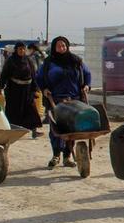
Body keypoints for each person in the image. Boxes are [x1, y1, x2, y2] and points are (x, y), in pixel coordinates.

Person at [36, 36, 92, 169]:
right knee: (56, 129)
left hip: (75, 100)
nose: (61, 48)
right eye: (58, 46)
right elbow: (39, 77)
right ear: (54, 48)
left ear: (67, 47)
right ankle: (56, 155)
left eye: (63, 46)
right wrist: (44, 89)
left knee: (72, 128)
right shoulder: (49, 63)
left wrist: (87, 86)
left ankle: (68, 156)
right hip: (55, 99)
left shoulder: (76, 61)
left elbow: (87, 74)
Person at [0, 42, 43, 138]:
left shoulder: (28, 60)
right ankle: (11, 132)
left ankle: (34, 132)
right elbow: (4, 75)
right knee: (13, 111)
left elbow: (33, 75)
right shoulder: (11, 61)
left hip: (27, 90)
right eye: (20, 49)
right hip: (14, 90)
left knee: (31, 110)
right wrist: (0, 88)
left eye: (23, 49)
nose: (22, 51)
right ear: (16, 50)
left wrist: (35, 88)